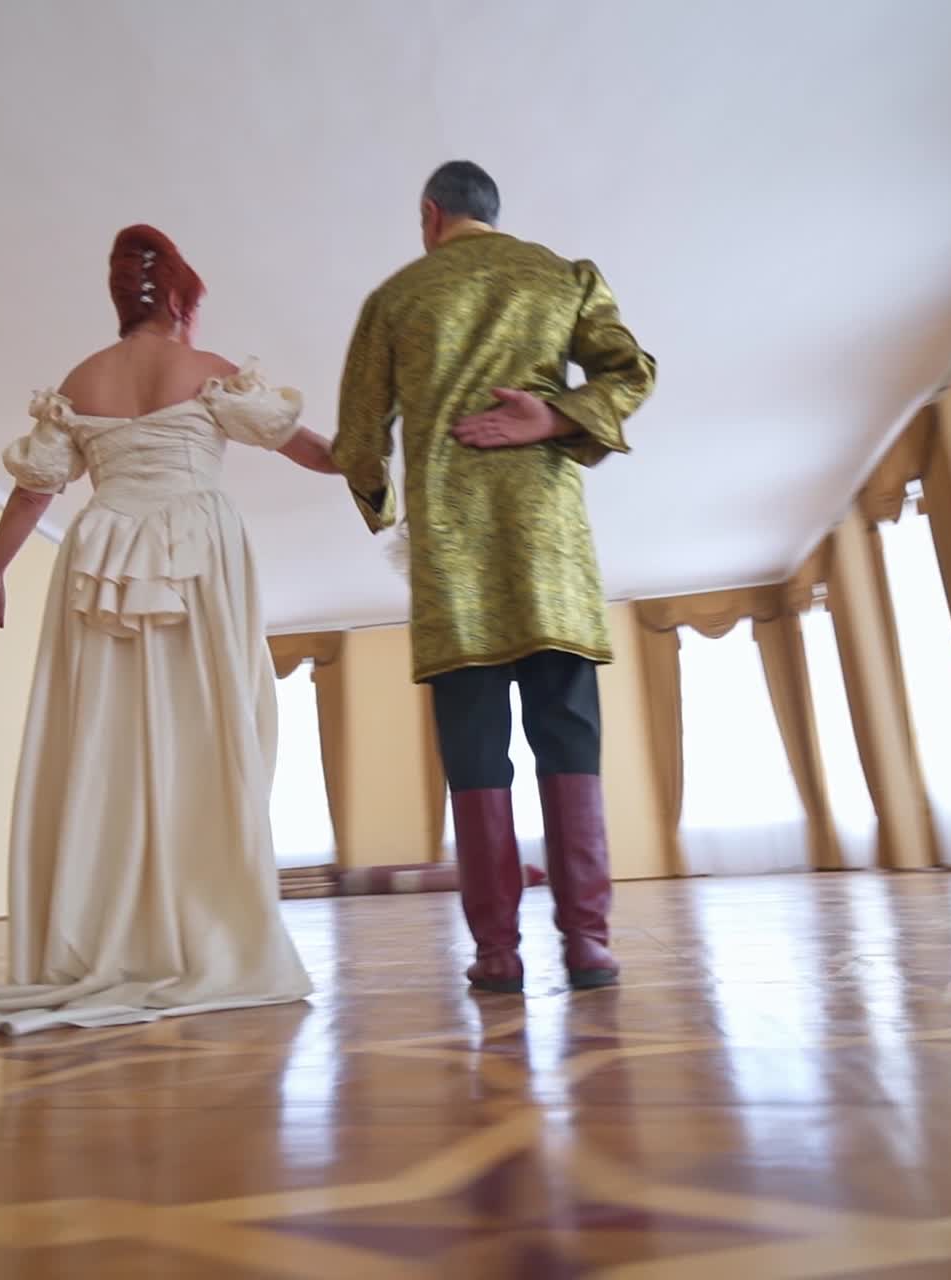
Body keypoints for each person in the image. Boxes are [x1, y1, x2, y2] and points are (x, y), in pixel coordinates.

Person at [0, 225, 338, 1035]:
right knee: (210, 729)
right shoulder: (211, 371)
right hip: (196, 552)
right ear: (183, 300)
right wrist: (378, 453)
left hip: (104, 554)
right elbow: (314, 453)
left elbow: (34, 492)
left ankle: (104, 922)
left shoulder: (82, 379)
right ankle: (200, 920)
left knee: (104, 741)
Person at [332, 162, 656, 996]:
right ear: (492, 215)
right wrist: (555, 414)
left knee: (476, 759)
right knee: (570, 740)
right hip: (551, 554)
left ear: (429, 216)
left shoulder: (395, 300)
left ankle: (497, 955)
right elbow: (632, 372)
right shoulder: (563, 277)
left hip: (452, 562)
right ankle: (589, 945)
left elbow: (360, 441)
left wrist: (380, 507)